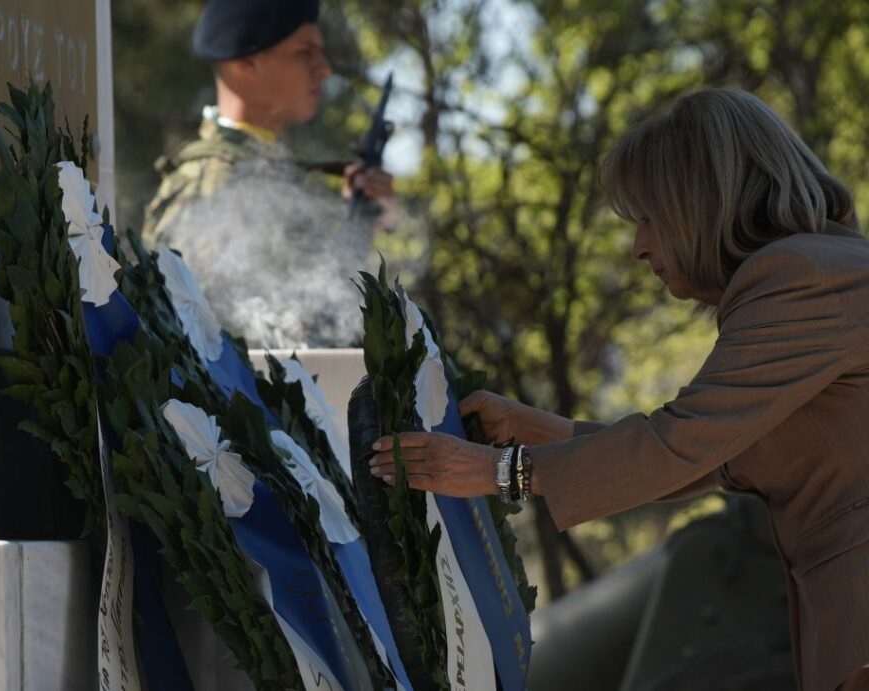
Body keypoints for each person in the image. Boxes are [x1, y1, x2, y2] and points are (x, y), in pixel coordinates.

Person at [368, 88, 869, 691]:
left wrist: (499, 472)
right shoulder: (821, 272)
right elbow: (708, 456)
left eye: (647, 218)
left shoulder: (798, 279)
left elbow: (676, 446)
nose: (638, 248)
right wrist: (542, 430)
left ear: (700, 203)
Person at [141, 0, 395, 348]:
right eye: (304, 53)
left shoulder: (268, 172)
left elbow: (317, 313)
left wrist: (361, 221)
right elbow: (207, 346)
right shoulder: (212, 185)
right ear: (246, 62)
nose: (323, 68)